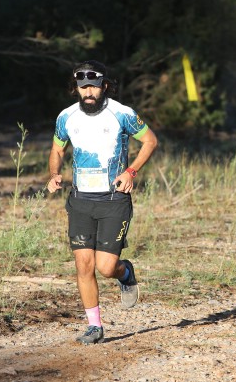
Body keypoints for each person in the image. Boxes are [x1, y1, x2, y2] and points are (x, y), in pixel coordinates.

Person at [47, 60, 158, 344]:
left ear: (104, 86)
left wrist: (131, 171)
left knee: (106, 267)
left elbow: (150, 141)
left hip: (113, 200)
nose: (88, 92)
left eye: (93, 87)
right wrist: (54, 173)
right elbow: (57, 149)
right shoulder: (66, 117)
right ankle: (94, 326)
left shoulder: (122, 113)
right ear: (76, 88)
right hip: (80, 201)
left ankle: (126, 272)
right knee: (84, 265)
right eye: (83, 87)